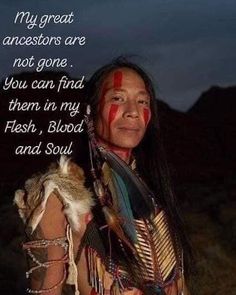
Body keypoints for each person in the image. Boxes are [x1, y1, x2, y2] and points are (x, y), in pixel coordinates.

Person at [14, 57, 191, 295]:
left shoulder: (153, 188)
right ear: (91, 110)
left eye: (142, 101)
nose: (133, 112)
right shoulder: (61, 195)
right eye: (117, 98)